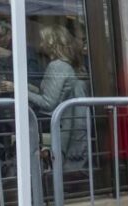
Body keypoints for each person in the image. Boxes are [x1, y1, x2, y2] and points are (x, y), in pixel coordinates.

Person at [26, 26, 89, 173]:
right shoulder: (64, 65)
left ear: (51, 43)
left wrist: (20, 92)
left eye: (43, 41)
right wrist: (29, 88)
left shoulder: (56, 66)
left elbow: (48, 103)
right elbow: (52, 93)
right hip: (64, 125)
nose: (40, 45)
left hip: (57, 126)